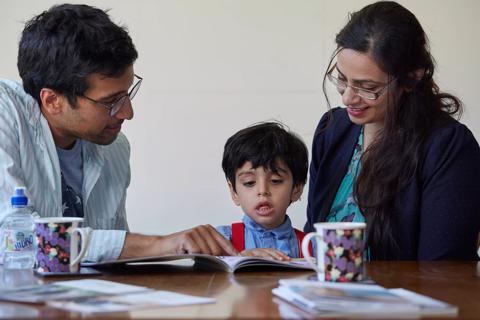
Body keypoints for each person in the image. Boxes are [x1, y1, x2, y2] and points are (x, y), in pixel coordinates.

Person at [0, 4, 236, 263]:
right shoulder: (6, 113)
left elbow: (112, 255)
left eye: (128, 94)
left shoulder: (114, 147)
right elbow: (15, 239)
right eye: (111, 101)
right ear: (53, 101)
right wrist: (162, 244)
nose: (128, 112)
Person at [305, 1, 480, 260]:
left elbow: (442, 270)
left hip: (406, 299)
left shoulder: (448, 147)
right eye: (342, 79)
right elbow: (314, 234)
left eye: (367, 87)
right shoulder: (332, 129)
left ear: (411, 78)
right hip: (326, 296)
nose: (348, 98)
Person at [217, 122, 311, 260]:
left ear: (297, 188)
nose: (262, 191)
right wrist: (236, 259)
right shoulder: (221, 241)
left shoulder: (313, 246)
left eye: (275, 181)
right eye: (249, 183)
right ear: (234, 192)